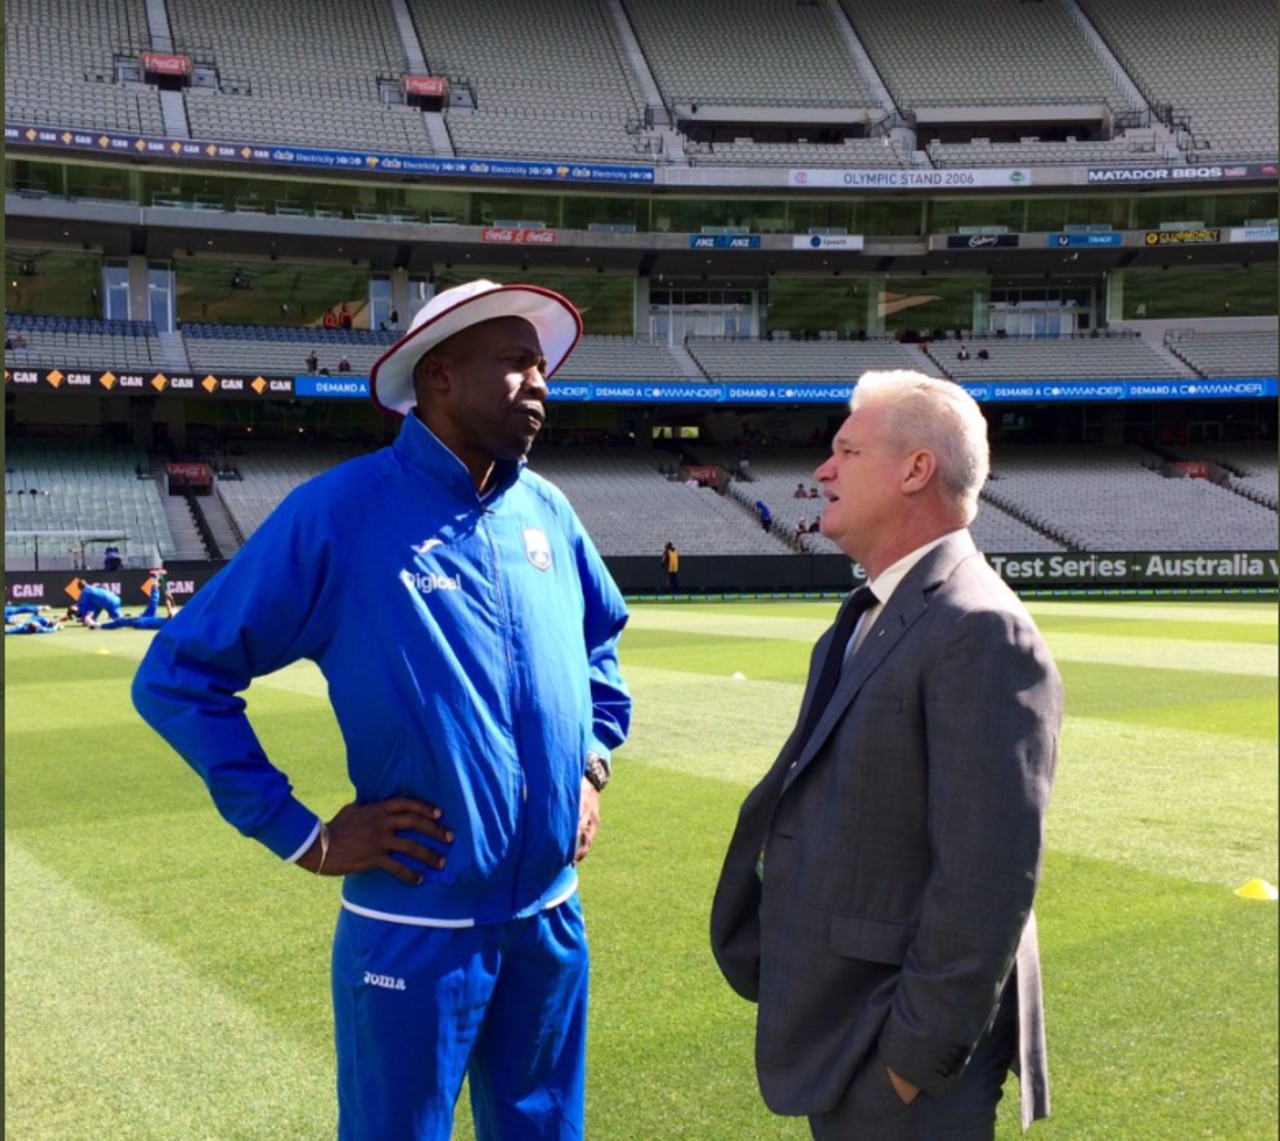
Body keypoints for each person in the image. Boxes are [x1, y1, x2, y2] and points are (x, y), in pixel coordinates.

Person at [132, 277, 632, 1141]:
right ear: (440, 375)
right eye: (514, 362)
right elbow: (178, 674)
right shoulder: (342, 512)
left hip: (550, 918)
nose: (540, 381)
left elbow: (600, 651)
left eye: (541, 363)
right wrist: (302, 832)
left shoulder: (547, 507)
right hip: (413, 925)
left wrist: (590, 764)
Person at [711, 369, 1062, 1141]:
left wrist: (905, 1067)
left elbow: (985, 882)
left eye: (847, 449)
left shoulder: (980, 629)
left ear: (915, 469)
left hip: (901, 1065)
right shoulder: (873, 609)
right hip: (847, 1026)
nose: (823, 470)